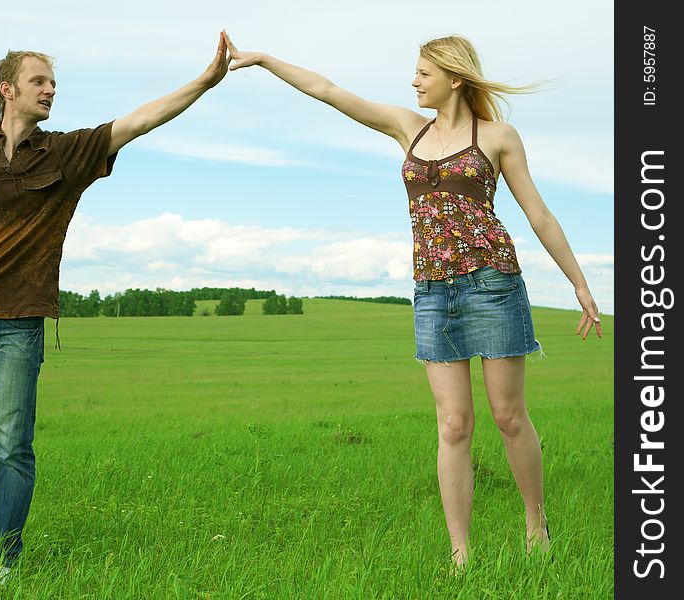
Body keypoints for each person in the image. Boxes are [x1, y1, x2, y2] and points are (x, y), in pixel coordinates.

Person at [0, 36, 229, 579]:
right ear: (8, 90)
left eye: (53, 84)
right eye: (39, 82)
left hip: (19, 328)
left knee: (12, 450)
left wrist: (203, 82)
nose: (50, 91)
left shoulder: (66, 153)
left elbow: (141, 120)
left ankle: (3, 559)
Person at [221, 31, 602, 569]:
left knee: (509, 415)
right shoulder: (408, 128)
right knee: (452, 424)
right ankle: (460, 553)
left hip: (493, 282)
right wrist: (262, 59)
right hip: (431, 291)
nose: (414, 81)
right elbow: (329, 91)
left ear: (454, 77)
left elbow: (538, 213)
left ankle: (536, 526)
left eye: (423, 73)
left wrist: (580, 285)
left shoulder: (498, 136)